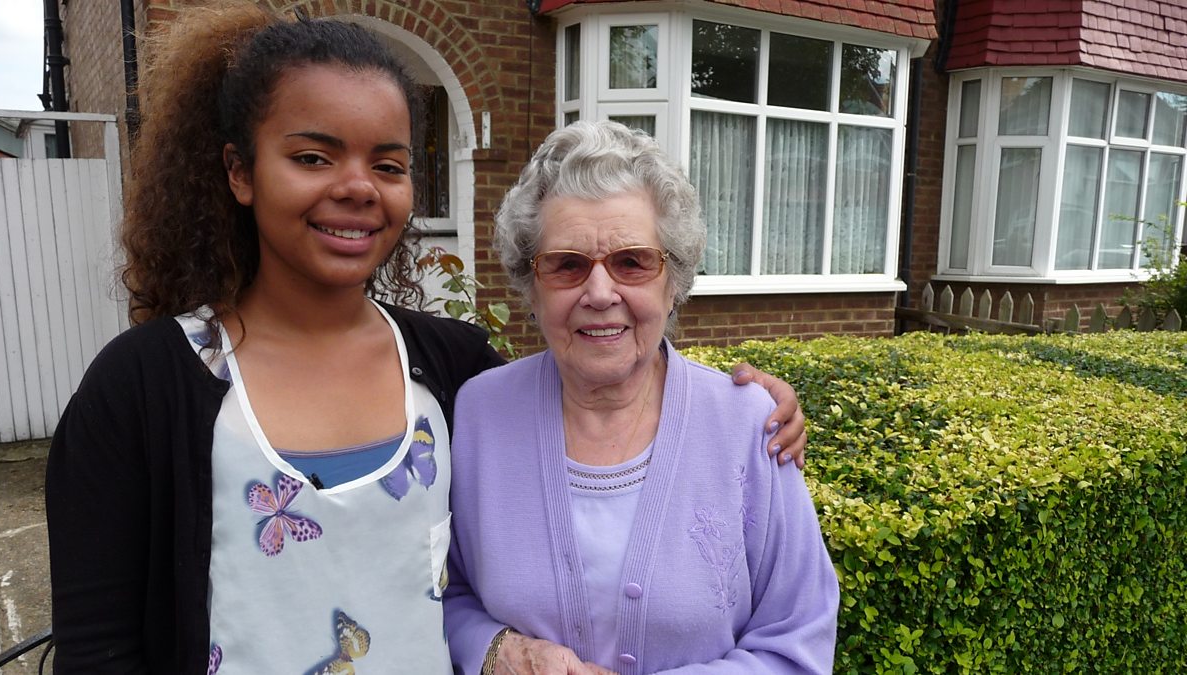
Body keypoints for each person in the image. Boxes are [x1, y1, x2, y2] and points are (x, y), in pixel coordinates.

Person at [43, 5, 807, 673]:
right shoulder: (142, 389)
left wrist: (739, 406)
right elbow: (98, 649)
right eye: (312, 157)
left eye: (388, 163)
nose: (357, 186)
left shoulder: (451, 371)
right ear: (240, 172)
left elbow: (589, 394)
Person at [444, 121, 840, 675]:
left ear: (672, 281)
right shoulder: (478, 414)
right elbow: (443, 592)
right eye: (567, 265)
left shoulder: (749, 425)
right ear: (531, 287)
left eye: (632, 262)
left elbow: (797, 642)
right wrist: (495, 650)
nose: (599, 293)